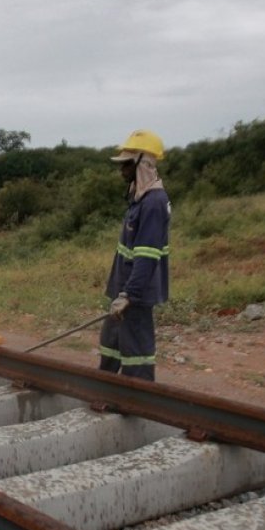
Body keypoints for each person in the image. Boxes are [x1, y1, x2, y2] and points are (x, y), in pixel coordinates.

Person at [98, 129, 171, 382]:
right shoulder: (139, 199)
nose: (122, 170)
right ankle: (104, 390)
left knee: (136, 355)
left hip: (135, 295)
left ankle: (137, 404)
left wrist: (130, 295)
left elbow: (147, 257)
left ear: (143, 164)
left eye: (126, 164)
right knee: (111, 345)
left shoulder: (153, 203)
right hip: (122, 290)